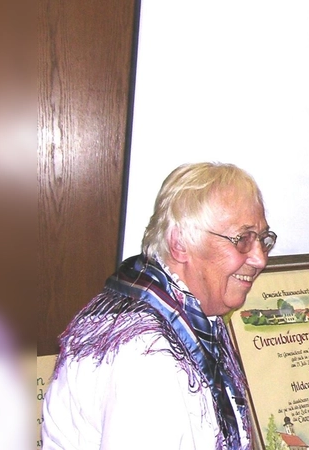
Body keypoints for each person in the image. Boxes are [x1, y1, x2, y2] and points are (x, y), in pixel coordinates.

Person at [42, 162, 277, 449]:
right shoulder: (147, 358)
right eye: (242, 239)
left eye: (263, 240)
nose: (260, 259)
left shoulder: (184, 313)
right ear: (179, 243)